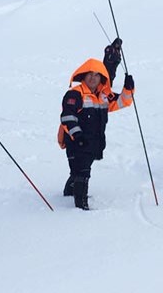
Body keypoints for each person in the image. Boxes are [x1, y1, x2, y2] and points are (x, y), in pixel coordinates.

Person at [58, 58, 134, 210]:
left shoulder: (104, 95)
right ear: (84, 76)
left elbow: (122, 102)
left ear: (102, 78)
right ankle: (81, 205)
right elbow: (68, 117)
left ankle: (69, 191)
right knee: (83, 172)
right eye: (90, 75)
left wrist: (128, 88)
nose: (93, 78)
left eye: (97, 75)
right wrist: (77, 135)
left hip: (94, 142)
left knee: (79, 169)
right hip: (76, 141)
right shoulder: (75, 94)